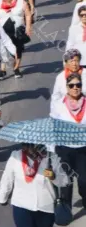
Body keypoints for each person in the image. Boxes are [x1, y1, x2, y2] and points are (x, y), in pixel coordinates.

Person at [0, 143, 67, 227]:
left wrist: (53, 176)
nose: (30, 149)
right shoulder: (15, 156)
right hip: (21, 206)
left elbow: (64, 181)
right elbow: (7, 179)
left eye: (34, 146)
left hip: (45, 208)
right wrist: (2, 197)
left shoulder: (51, 157)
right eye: (27, 145)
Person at [50, 72, 86, 209]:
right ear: (67, 87)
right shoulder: (59, 105)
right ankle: (66, 210)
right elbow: (53, 126)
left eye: (78, 85)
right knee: (66, 182)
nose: (75, 88)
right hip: (64, 148)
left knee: (84, 180)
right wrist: (51, 149)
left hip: (83, 149)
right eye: (72, 85)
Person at [0, 0, 32, 78]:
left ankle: (16, 68)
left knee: (17, 49)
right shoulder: (0, 3)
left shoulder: (21, 1)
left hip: (17, 30)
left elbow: (27, 15)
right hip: (3, 31)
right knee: (3, 50)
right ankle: (2, 70)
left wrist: (28, 27)